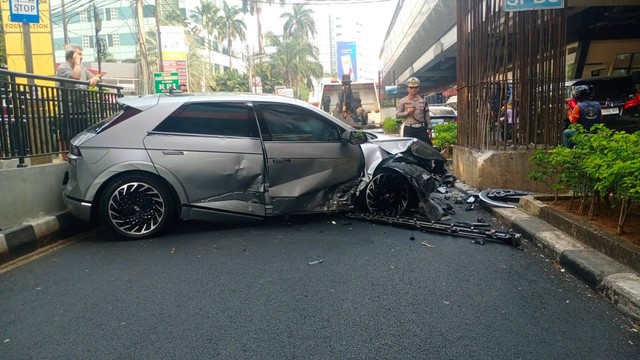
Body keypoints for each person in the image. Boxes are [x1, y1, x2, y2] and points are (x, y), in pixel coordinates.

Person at [56, 44, 102, 141]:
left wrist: (94, 79)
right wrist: (77, 63)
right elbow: (75, 77)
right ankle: (65, 156)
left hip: (81, 109)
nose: (82, 57)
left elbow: (96, 77)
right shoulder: (63, 68)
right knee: (67, 139)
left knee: (81, 138)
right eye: (79, 54)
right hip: (68, 110)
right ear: (71, 56)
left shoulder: (82, 68)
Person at [396, 77, 432, 146]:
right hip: (409, 129)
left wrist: (429, 128)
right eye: (411, 87)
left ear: (418, 89)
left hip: (421, 129)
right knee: (408, 149)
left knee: (428, 148)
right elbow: (397, 115)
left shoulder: (423, 101)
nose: (413, 89)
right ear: (407, 89)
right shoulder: (403, 101)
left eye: (415, 87)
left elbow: (427, 115)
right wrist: (407, 112)